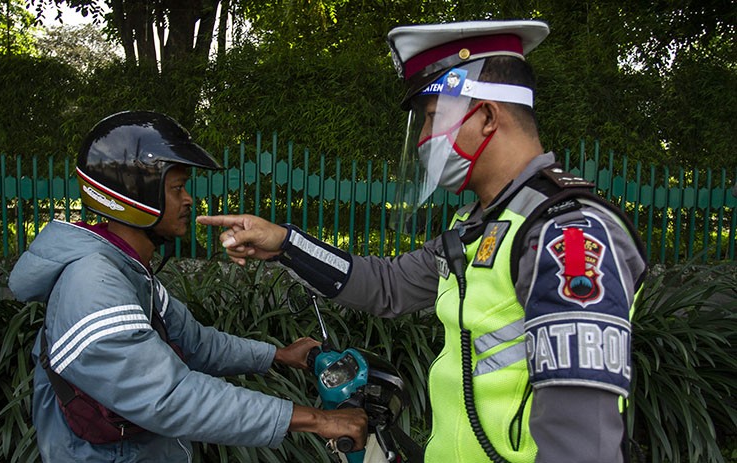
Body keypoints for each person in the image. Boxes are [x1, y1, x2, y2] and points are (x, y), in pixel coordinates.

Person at [197, 20, 648, 463]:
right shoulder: (481, 225)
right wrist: (285, 244)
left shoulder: (565, 235)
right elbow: (388, 286)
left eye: (434, 119)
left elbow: (582, 435)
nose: (425, 141)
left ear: (488, 116)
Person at [8, 111, 366, 461]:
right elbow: (170, 396)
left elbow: (193, 342)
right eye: (177, 188)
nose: (188, 199)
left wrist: (276, 355)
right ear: (137, 194)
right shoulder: (93, 285)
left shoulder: (127, 268)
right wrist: (317, 420)